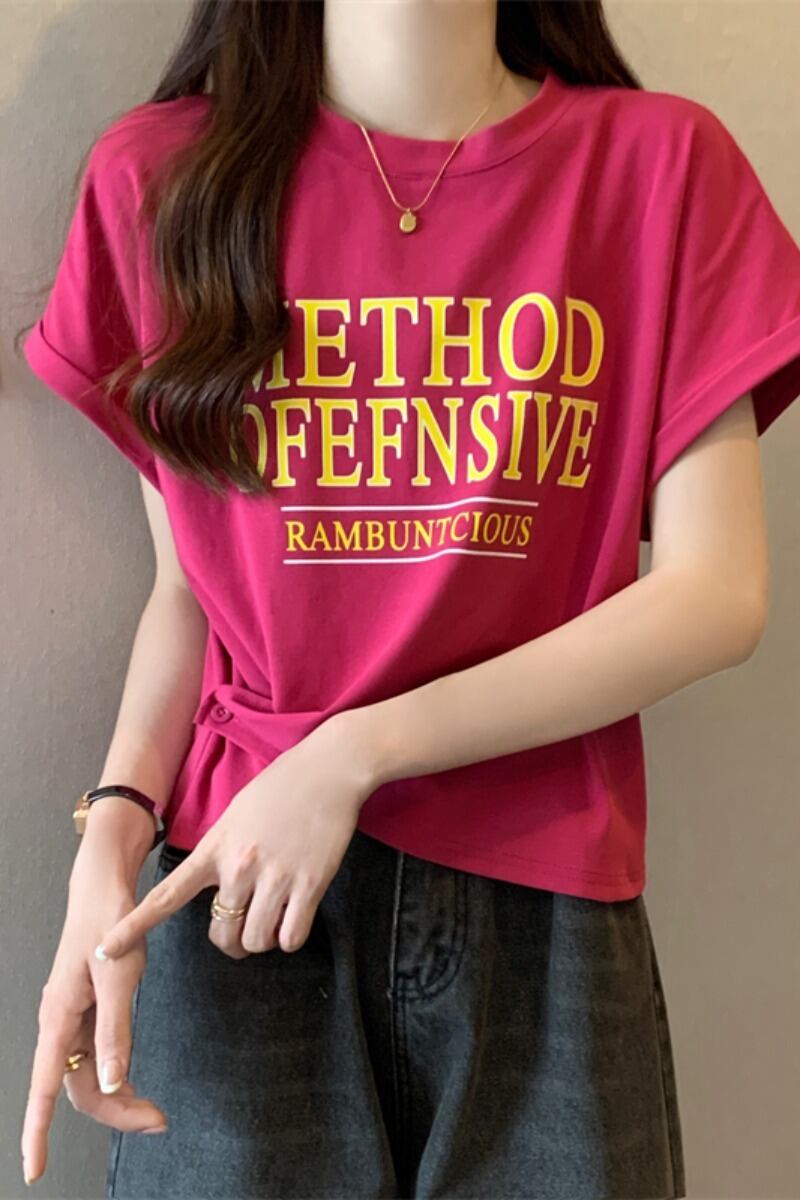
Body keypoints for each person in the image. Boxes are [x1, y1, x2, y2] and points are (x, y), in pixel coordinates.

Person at [16, 0, 800, 1196]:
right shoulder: (161, 179)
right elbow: (192, 588)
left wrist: (354, 753)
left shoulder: (655, 168)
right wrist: (110, 846)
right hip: (234, 890)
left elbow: (715, 593)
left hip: (542, 907)